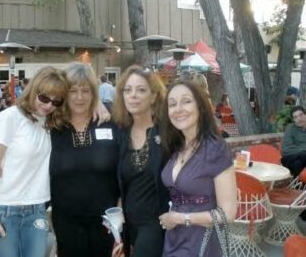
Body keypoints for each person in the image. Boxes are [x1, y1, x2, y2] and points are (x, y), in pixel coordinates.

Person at [0, 67, 69, 257]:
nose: (48, 105)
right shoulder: (9, 117)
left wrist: (99, 105)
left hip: (37, 209)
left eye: (56, 101)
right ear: (33, 90)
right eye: (44, 97)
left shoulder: (51, 123)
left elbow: (83, 101)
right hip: (5, 209)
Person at [158, 81, 237, 257]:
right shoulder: (176, 146)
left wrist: (180, 218)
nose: (178, 109)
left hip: (202, 242)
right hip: (174, 238)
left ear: (200, 107)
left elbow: (228, 213)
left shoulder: (215, 149)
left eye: (186, 101)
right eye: (172, 104)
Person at [50, 63, 119, 257]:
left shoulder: (110, 124)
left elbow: (122, 170)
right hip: (66, 222)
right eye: (73, 91)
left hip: (106, 222)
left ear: (94, 93)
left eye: (86, 90)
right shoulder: (52, 127)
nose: (79, 97)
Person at [112, 65, 169, 257]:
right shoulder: (119, 133)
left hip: (156, 222)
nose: (133, 95)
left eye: (141, 90)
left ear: (153, 96)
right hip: (128, 223)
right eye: (128, 90)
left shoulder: (168, 133)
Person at [281, 106, 306, 177]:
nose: (299, 119)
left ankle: (299, 187)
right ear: (293, 120)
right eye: (295, 117)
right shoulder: (290, 129)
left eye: (301, 115)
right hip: (290, 157)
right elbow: (286, 149)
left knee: (297, 164)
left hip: (299, 161)